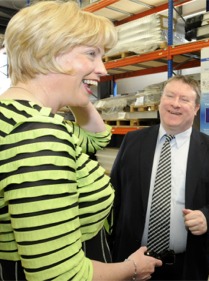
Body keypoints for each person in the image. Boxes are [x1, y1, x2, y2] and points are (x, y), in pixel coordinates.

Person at [0, 1, 162, 280]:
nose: (103, 69)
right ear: (45, 52)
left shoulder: (19, 114)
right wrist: (133, 267)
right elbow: (60, 276)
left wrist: (76, 92)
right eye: (91, 54)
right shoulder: (37, 132)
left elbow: (97, 138)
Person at [110, 75, 209, 280]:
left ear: (196, 108)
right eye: (170, 96)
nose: (175, 104)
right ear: (160, 101)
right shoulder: (133, 142)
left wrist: (208, 216)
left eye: (184, 99)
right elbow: (114, 191)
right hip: (132, 261)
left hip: (186, 265)